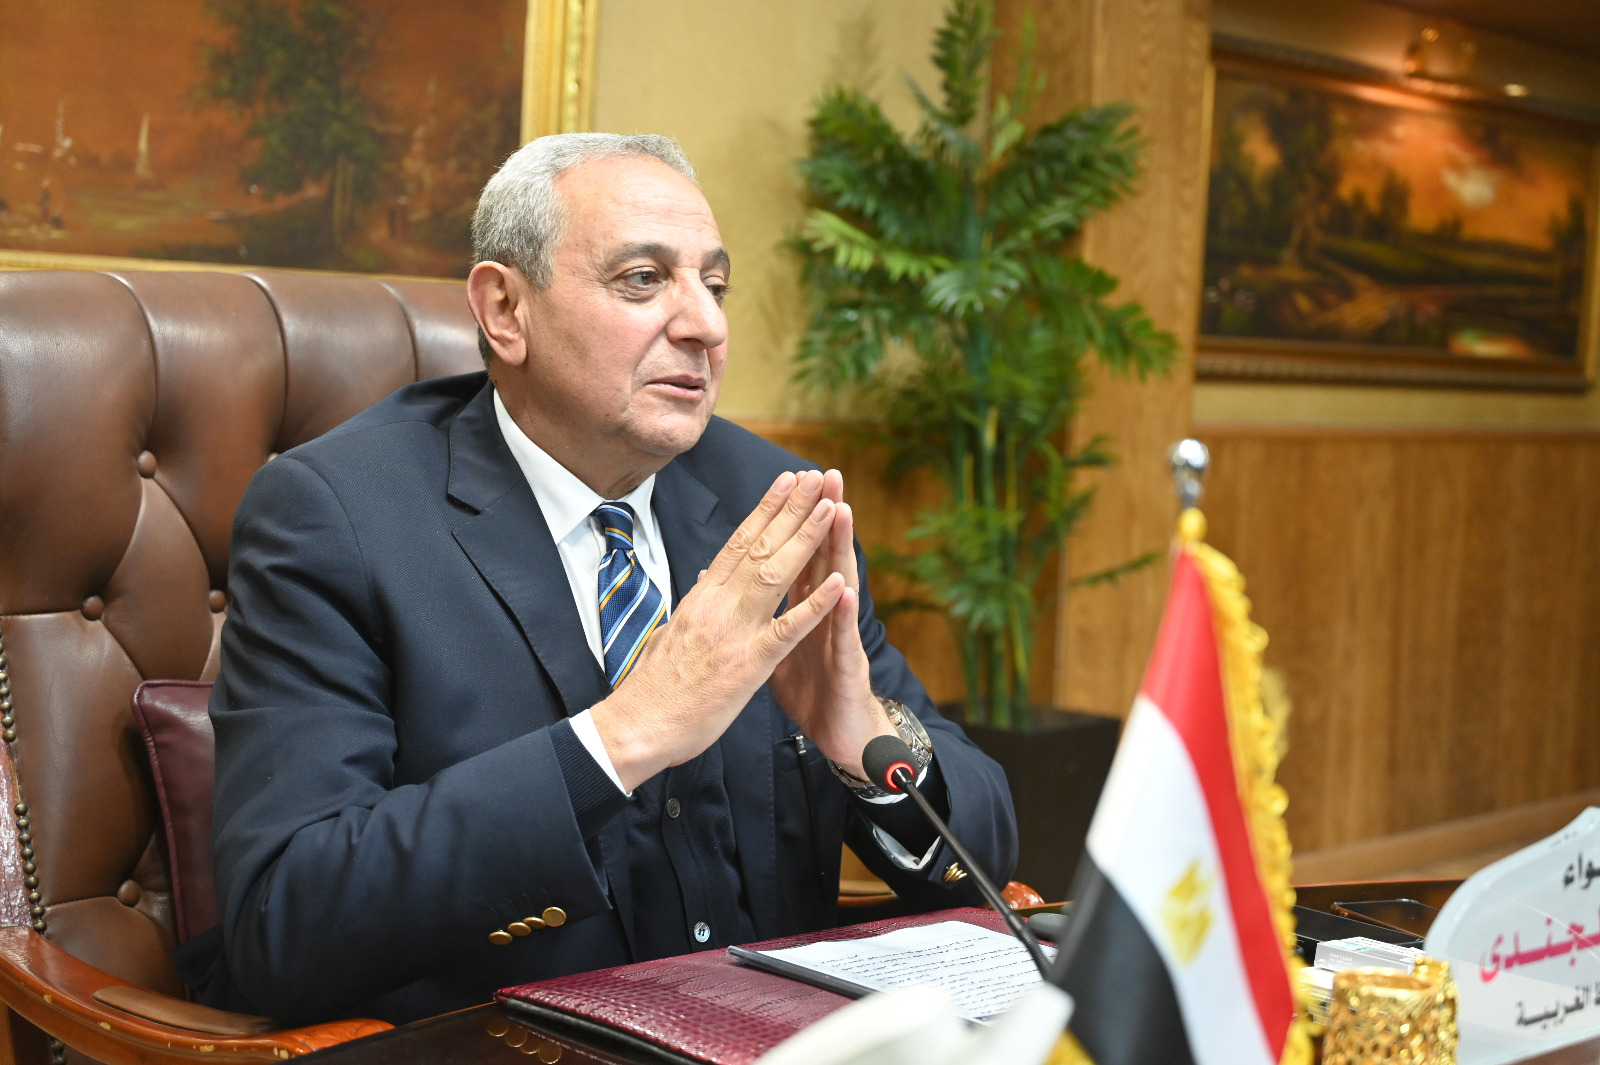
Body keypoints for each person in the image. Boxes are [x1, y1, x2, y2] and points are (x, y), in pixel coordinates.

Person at [202, 133, 1017, 1027]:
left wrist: (868, 744)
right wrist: (623, 735)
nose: (704, 325)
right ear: (505, 309)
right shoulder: (338, 517)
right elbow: (285, 922)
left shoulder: (769, 499)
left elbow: (987, 857)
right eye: (643, 279)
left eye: (714, 285)